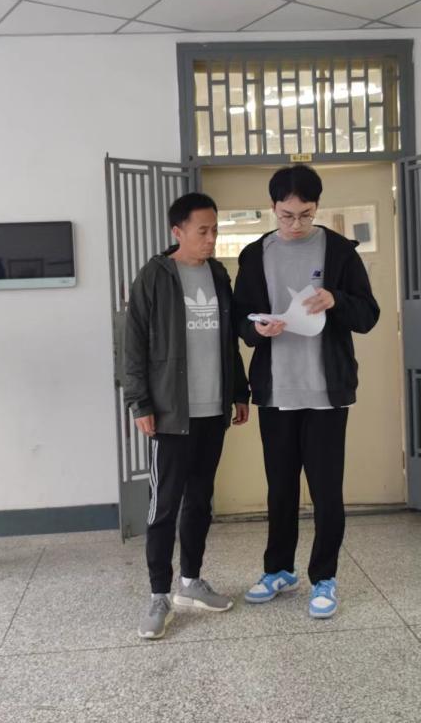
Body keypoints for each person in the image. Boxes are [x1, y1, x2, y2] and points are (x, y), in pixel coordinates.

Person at [234, 165, 379, 619]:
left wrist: (336, 300)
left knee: (326, 490)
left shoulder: (339, 252)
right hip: (276, 390)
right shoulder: (254, 254)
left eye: (305, 214)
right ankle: (278, 570)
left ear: (316, 208)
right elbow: (240, 319)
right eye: (286, 215)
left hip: (325, 393)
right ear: (273, 208)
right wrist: (258, 329)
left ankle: (324, 578)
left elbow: (368, 315)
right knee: (280, 488)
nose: (296, 224)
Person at [123, 192, 250, 639]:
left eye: (215, 230)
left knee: (200, 500)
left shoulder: (218, 274)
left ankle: (191, 582)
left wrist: (238, 391)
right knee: (163, 505)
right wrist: (140, 402)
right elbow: (133, 344)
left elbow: (228, 341)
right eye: (203, 231)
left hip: (212, 410)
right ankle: (159, 594)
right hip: (170, 413)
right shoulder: (154, 276)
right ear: (177, 231)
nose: (211, 238)